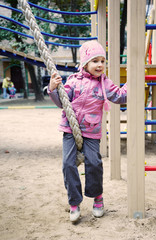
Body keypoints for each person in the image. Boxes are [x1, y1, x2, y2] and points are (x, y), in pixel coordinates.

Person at [48, 40, 127, 223]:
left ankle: (97, 196)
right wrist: (52, 88)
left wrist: (133, 83)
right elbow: (62, 101)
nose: (100, 65)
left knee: (94, 163)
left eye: (102, 61)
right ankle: (74, 203)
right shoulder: (73, 81)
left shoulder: (104, 84)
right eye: (95, 61)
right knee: (68, 164)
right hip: (70, 128)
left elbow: (120, 96)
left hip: (91, 131)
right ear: (85, 63)